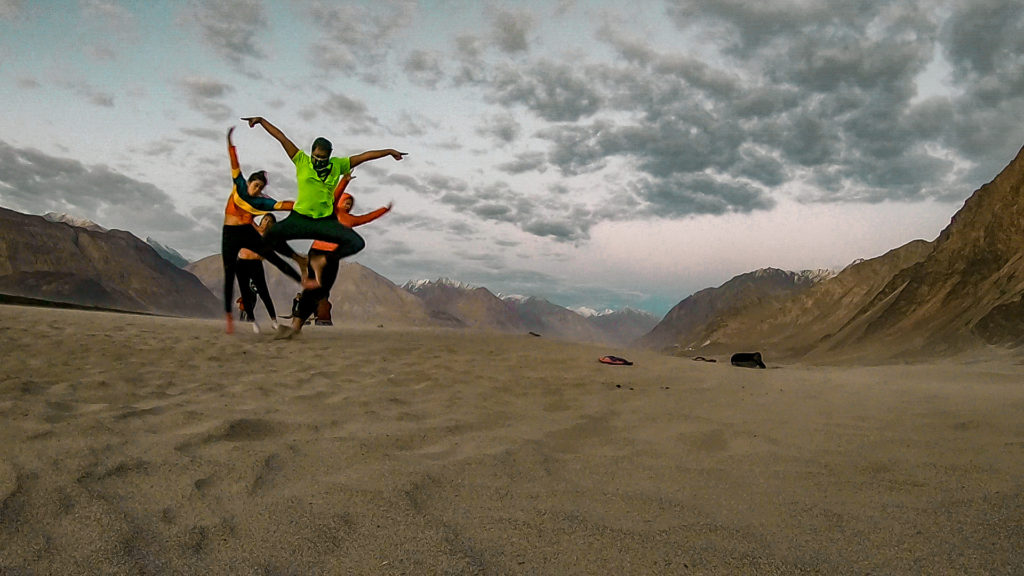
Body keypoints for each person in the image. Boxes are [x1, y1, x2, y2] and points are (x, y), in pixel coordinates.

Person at [240, 116, 405, 278]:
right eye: (316, 157)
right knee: (269, 237)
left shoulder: (338, 165)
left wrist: (389, 151)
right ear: (311, 153)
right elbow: (282, 138)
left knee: (357, 243)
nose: (318, 162)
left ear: (329, 156)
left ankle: (324, 260)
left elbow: (364, 156)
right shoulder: (302, 161)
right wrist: (261, 121)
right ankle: (300, 260)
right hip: (300, 217)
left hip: (324, 220)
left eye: (323, 159)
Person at [277, 172, 392, 339]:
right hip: (319, 252)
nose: (348, 204)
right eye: (346, 201)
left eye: (350, 203)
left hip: (332, 258)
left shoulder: (351, 220)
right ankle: (295, 325)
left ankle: (297, 326)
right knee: (315, 289)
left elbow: (366, 218)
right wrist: (344, 180)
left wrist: (384, 210)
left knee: (322, 292)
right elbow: (334, 195)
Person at [221, 127, 307, 334]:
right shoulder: (239, 187)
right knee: (232, 276)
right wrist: (230, 142)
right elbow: (234, 164)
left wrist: (304, 205)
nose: (257, 189)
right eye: (256, 185)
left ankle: (274, 320)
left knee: (264, 290)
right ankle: (243, 320)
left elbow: (282, 205)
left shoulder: (261, 203)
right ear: (250, 182)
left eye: (261, 187)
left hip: (253, 254)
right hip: (233, 237)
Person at [235, 214, 281, 334]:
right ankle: (253, 322)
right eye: (265, 219)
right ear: (261, 220)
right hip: (242, 262)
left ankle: (274, 321)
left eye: (270, 221)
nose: (267, 222)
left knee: (264, 293)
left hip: (255, 264)